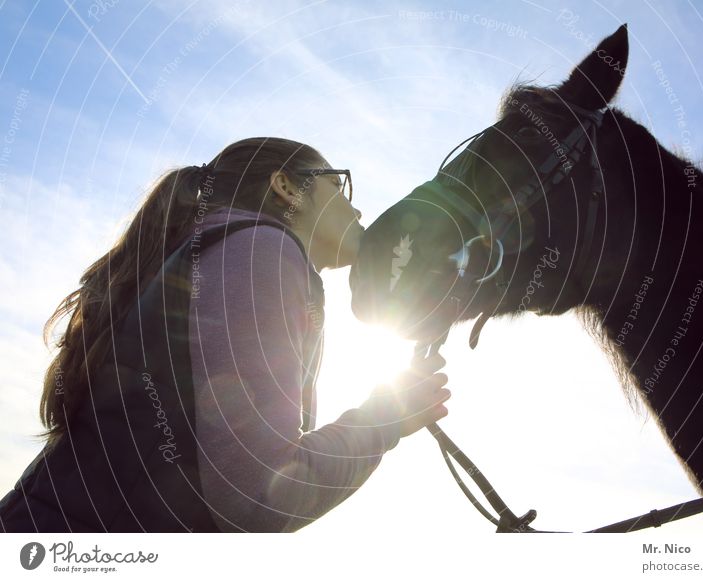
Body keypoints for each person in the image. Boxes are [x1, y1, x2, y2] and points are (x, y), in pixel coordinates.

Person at [0, 137, 451, 532]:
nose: (356, 207)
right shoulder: (262, 249)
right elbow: (257, 497)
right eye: (339, 184)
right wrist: (386, 418)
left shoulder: (220, 250)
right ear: (287, 186)